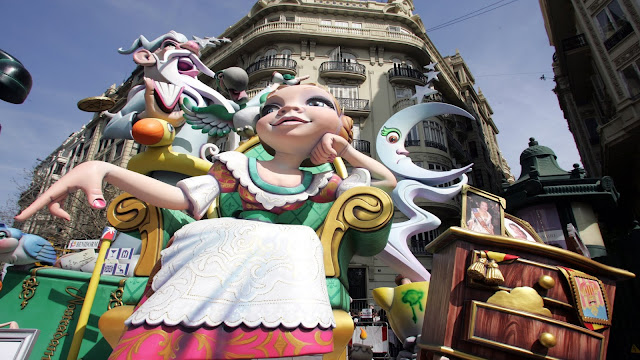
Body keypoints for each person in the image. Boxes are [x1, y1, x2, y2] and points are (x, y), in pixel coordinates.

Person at [15, 83, 397, 359]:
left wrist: (347, 151)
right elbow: (181, 199)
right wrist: (103, 168)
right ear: (260, 124)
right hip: (220, 253)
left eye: (314, 102)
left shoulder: (324, 182)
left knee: (297, 241)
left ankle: (283, 342)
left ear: (337, 122)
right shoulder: (236, 166)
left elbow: (385, 184)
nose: (288, 110)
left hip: (285, 272)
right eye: (272, 106)